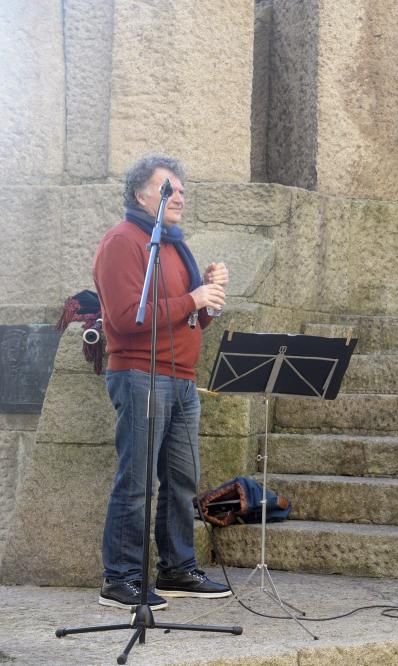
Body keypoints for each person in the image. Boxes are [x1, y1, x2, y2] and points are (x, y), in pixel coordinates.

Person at [92, 154, 232, 610]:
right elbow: (128, 318)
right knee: (136, 482)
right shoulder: (123, 241)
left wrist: (207, 298)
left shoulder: (173, 246)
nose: (181, 198)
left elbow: (188, 322)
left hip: (182, 379)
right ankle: (121, 580)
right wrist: (191, 297)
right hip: (139, 374)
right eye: (170, 189)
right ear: (140, 194)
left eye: (183, 191)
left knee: (181, 480)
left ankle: (176, 570)